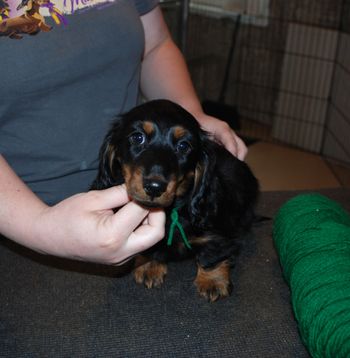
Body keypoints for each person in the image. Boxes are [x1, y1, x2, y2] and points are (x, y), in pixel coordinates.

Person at [0, 0, 247, 265]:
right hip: (19, 233)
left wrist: (190, 117)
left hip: (144, 217)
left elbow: (155, 46)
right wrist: (41, 228)